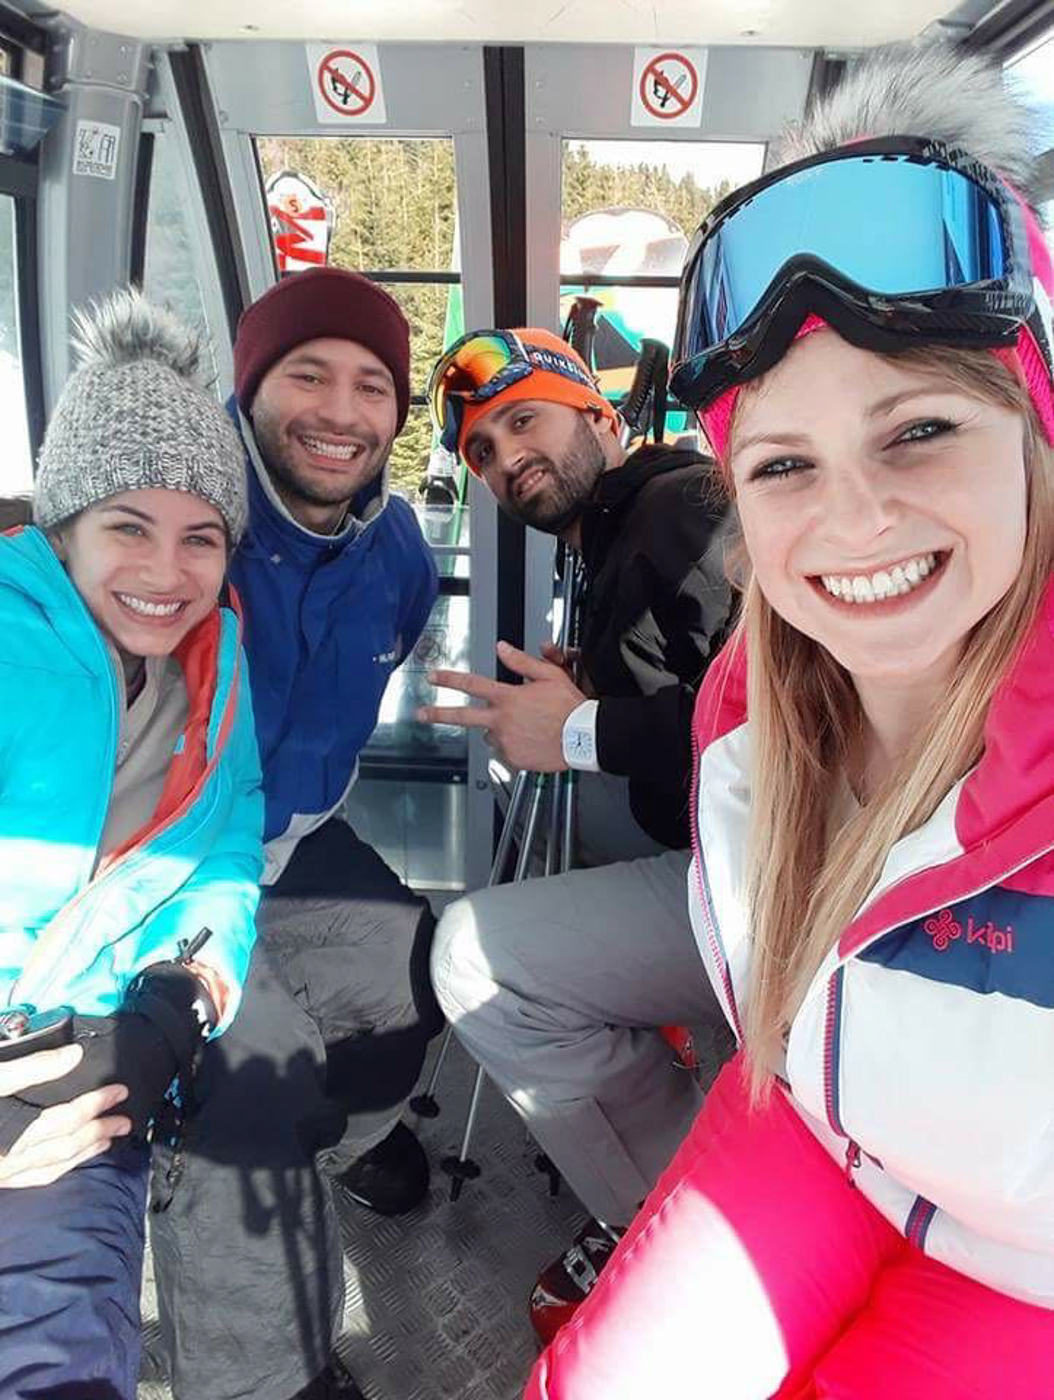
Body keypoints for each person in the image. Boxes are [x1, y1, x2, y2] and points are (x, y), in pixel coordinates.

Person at [526, 42, 1054, 1400]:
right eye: (781, 464)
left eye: (918, 430)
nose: (854, 519)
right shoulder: (754, 717)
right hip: (819, 1126)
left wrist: (579, 733)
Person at [148, 266, 444, 1400]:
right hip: (159, 860)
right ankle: (262, 1375)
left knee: (417, 970)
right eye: (306, 373)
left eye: (373, 385)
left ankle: (346, 1147)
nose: (341, 409)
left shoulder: (396, 554)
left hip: (292, 834)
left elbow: (383, 658)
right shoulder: (183, 525)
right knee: (252, 1084)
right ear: (249, 385)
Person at [423, 328, 735, 1335]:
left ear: (599, 415)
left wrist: (582, 726)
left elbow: (801, 716)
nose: (507, 458)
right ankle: (682, 1186)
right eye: (482, 451)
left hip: (790, 888)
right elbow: (694, 680)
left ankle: (670, 1215)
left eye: (524, 421)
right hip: (719, 868)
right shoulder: (614, 530)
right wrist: (595, 679)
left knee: (473, 955)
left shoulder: (684, 510)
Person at [0, 289, 263, 1400]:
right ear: (62, 526)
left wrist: (188, 993)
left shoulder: (214, 660)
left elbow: (226, 845)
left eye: (199, 535)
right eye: (127, 525)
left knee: (62, 1357)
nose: (167, 571)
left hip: (85, 1080)